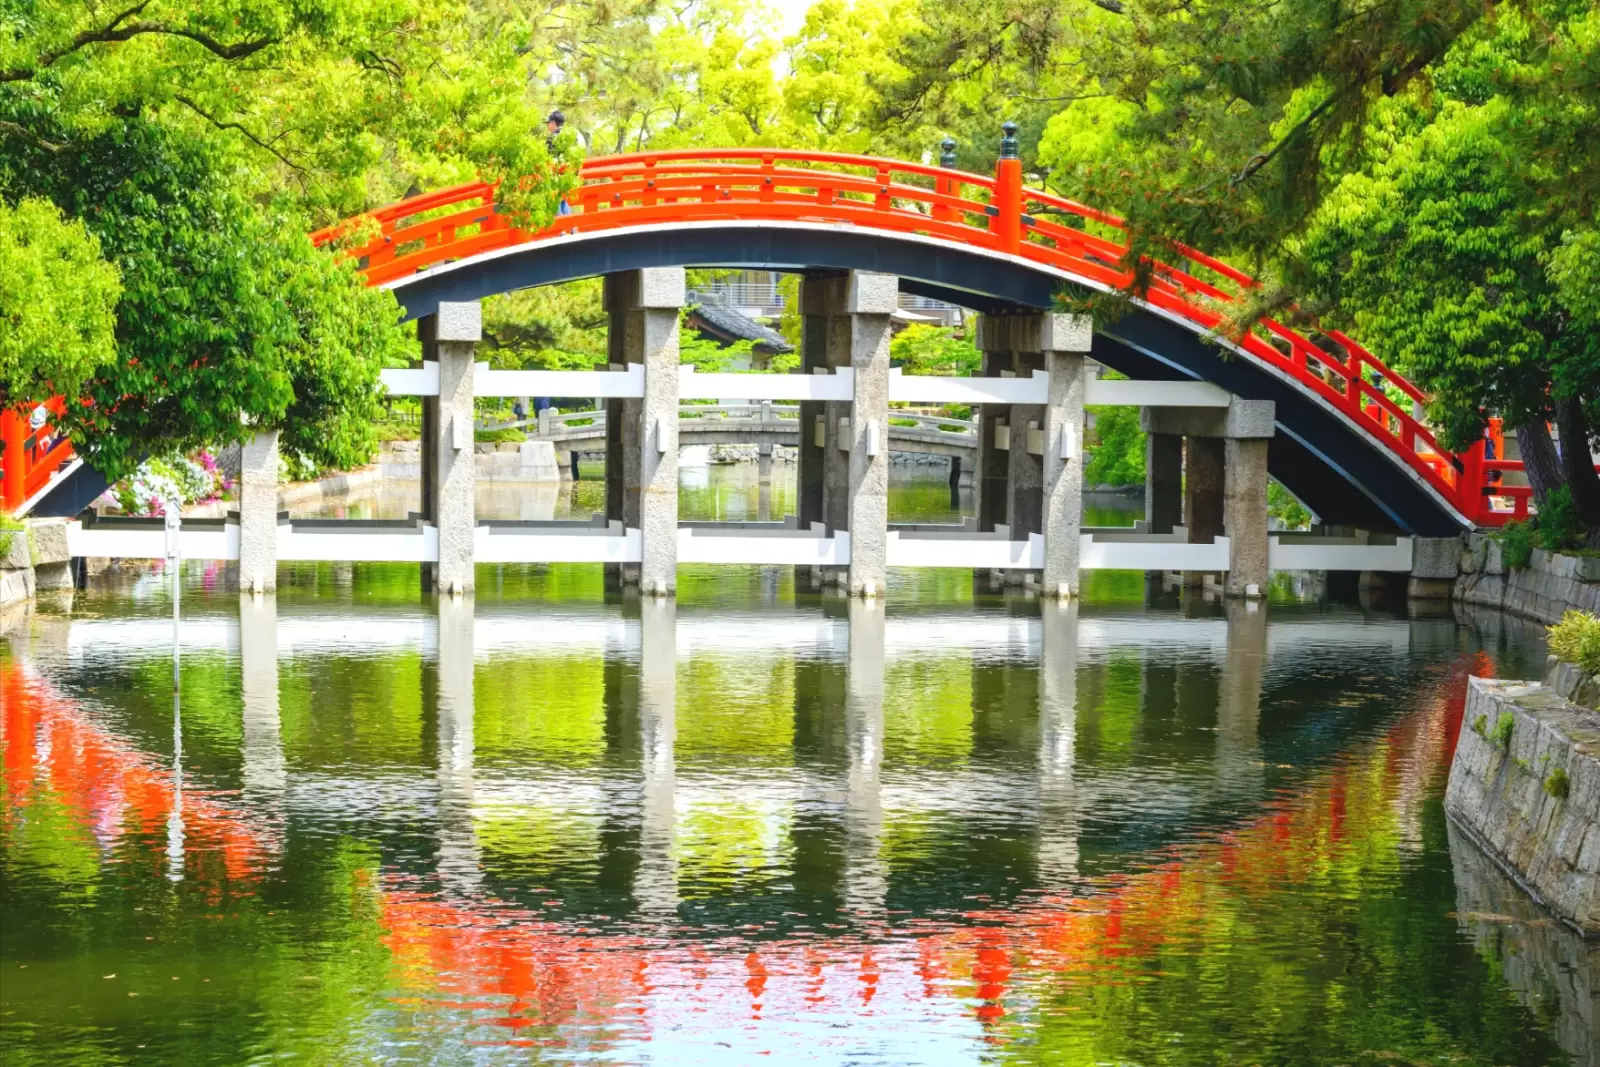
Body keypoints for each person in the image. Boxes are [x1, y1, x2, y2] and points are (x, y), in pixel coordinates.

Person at [546, 110, 572, 216]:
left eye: (548, 123)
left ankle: (561, 230)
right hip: (568, 175)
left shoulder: (552, 138)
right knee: (563, 201)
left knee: (555, 202)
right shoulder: (569, 137)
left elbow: (548, 158)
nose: (548, 126)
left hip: (555, 174)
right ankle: (572, 228)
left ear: (553, 122)